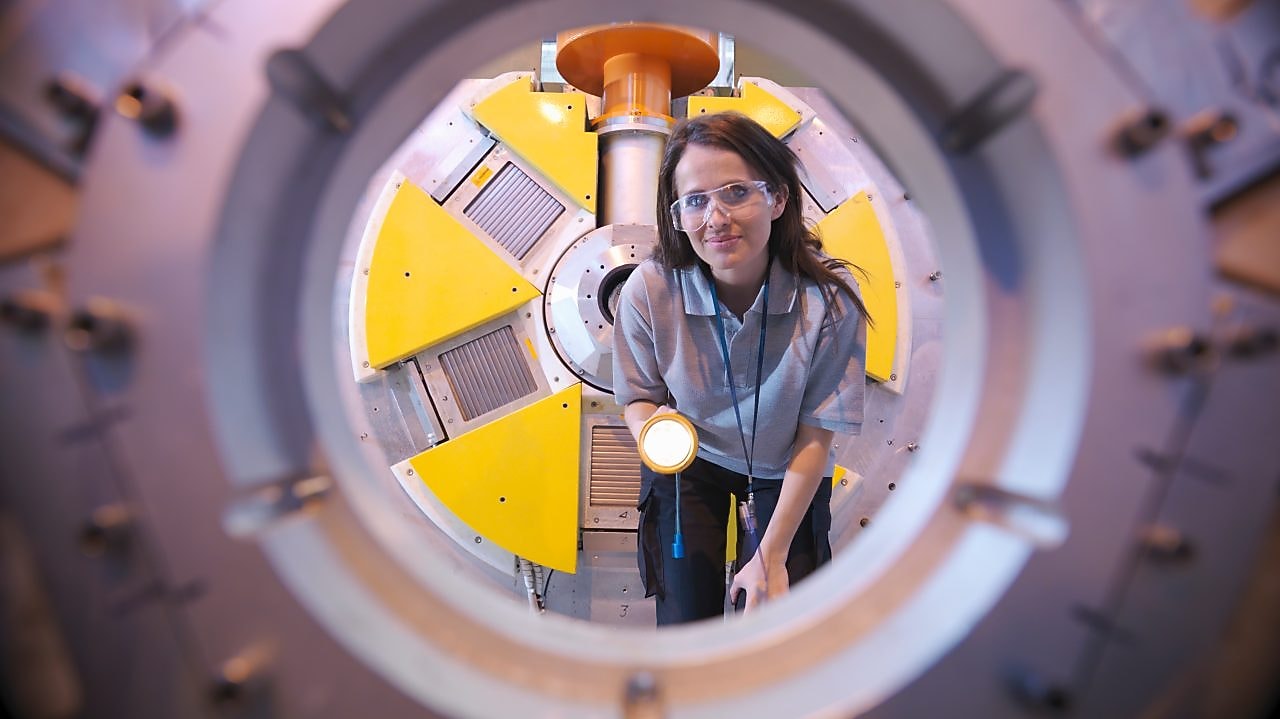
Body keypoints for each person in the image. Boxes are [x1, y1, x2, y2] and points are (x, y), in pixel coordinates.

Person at [612, 111, 872, 625]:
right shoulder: (650, 289)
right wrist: (654, 432)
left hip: (786, 463)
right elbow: (638, 395)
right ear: (678, 213)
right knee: (688, 623)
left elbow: (816, 434)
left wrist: (770, 555)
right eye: (696, 200)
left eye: (736, 192)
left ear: (776, 198)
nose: (715, 218)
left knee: (777, 617)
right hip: (691, 461)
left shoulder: (829, 301)